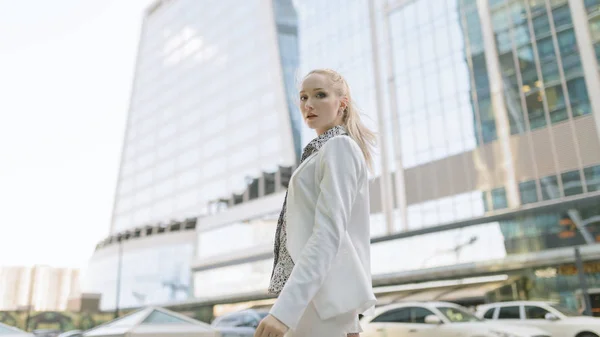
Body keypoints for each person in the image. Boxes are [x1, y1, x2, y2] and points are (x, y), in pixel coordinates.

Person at [254, 69, 377, 337]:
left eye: (319, 95)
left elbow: (328, 235)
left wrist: (283, 312)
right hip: (317, 300)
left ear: (341, 103)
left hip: (322, 303)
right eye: (303, 97)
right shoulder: (320, 151)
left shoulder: (339, 148)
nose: (308, 104)